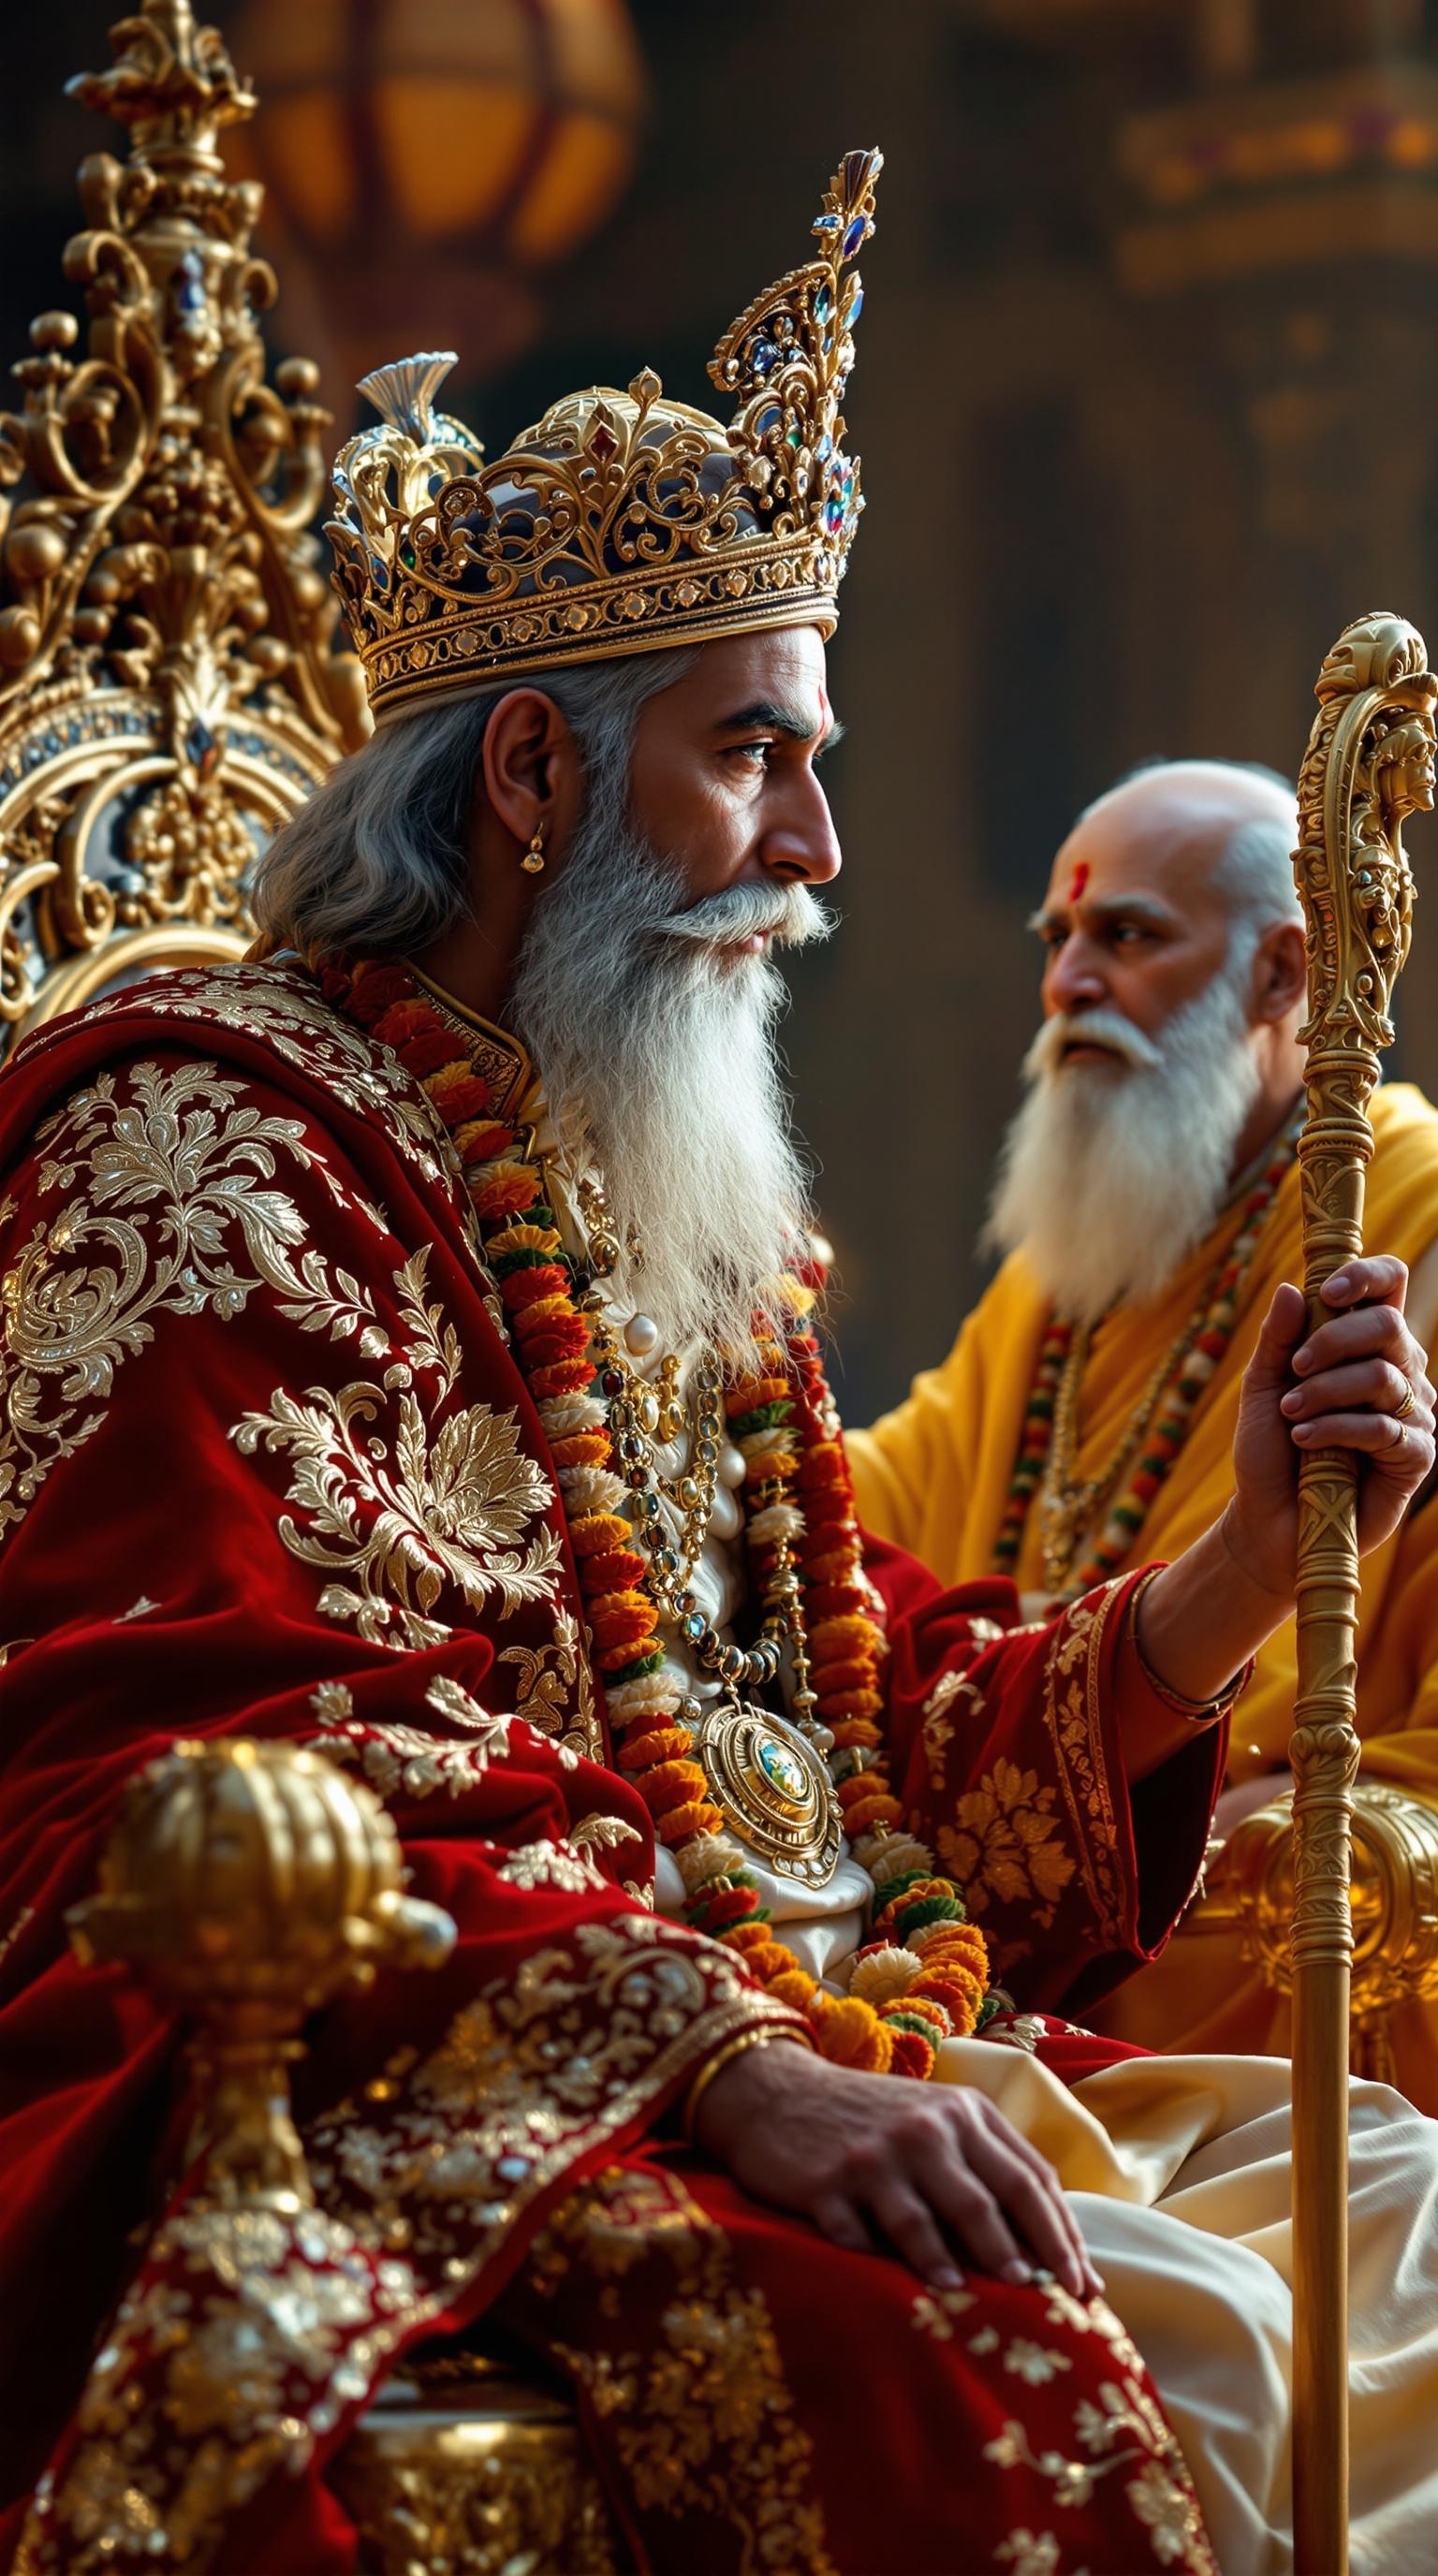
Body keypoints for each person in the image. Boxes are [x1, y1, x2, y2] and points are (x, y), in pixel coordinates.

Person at [2, 156, 1436, 2576]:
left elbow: (847, 1750)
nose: (828, 849)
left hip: (828, 2020)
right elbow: (196, 1748)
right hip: (509, 2092)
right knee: (1139, 2346)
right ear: (538, 782)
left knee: (1394, 2206)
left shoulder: (681, 1214)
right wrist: (722, 2064)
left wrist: (1235, 1572)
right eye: (757, 753)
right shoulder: (204, 1131)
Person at [846, 758, 1438, 2105]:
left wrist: (1158, 1807)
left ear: (1286, 976)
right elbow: (870, 1510)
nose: (1068, 983)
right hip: (1030, 1847)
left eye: (1127, 936)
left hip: (1266, 1888)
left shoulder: (1412, 1228)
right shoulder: (1078, 1265)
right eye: (1059, 941)